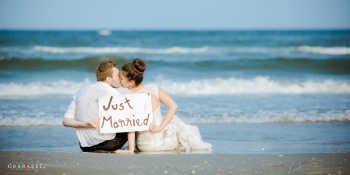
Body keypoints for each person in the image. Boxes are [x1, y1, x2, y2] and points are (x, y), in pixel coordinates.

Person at [116, 58, 212, 153]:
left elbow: (130, 125)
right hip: (166, 141)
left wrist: (130, 149)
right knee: (178, 126)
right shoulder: (153, 89)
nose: (119, 79)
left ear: (131, 82)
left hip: (145, 145)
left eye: (121, 77)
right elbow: (173, 106)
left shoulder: (124, 96)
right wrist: (161, 127)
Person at [62, 61, 128, 152]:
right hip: (109, 144)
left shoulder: (80, 91)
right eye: (117, 75)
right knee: (134, 121)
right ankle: (128, 149)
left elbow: (65, 121)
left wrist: (85, 125)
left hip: (85, 146)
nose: (120, 77)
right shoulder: (114, 93)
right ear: (109, 79)